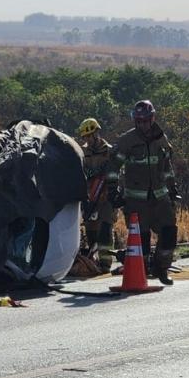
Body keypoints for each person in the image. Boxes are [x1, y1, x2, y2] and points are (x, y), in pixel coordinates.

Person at [106, 100, 180, 285]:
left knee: (169, 232)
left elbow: (167, 165)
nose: (143, 125)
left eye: (146, 120)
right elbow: (113, 167)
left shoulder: (160, 139)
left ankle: (162, 268)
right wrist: (112, 191)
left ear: (152, 118)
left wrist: (172, 188)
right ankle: (142, 269)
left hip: (160, 198)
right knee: (142, 239)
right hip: (136, 201)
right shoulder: (127, 141)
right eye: (139, 121)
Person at [77, 117, 114, 273]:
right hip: (90, 196)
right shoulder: (82, 152)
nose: (88, 140)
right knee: (91, 228)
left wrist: (113, 190)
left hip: (106, 196)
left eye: (90, 135)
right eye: (85, 137)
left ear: (97, 133)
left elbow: (117, 173)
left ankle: (105, 263)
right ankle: (93, 259)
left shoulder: (109, 150)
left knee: (105, 227)